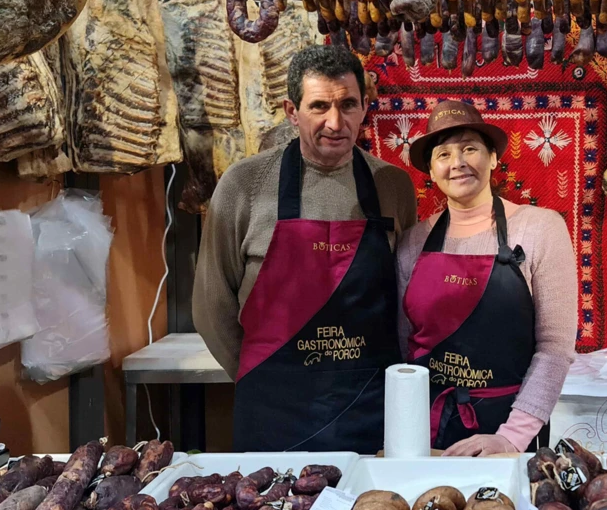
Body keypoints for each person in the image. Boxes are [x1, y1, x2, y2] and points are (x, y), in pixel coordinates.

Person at [194, 45, 417, 453]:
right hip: (273, 410)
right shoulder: (244, 184)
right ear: (291, 111)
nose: (336, 122)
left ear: (366, 107)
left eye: (349, 104)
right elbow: (212, 306)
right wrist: (258, 375)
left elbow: (407, 297)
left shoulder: (393, 186)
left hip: (369, 408)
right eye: (319, 106)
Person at [396, 101, 578, 456]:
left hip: (508, 430)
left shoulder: (540, 228)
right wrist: (408, 431)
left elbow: (555, 349)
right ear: (431, 171)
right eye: (443, 154)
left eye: (469, 148)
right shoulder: (413, 242)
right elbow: (405, 347)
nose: (458, 163)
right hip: (429, 431)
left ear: (493, 158)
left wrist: (511, 437)